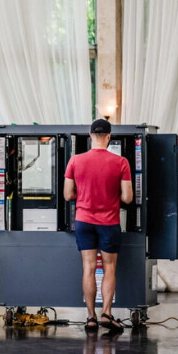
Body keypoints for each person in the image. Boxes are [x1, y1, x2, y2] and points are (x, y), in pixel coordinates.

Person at [64, 119, 133, 332]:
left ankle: (91, 317)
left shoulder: (75, 160)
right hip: (109, 222)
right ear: (109, 136)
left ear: (89, 134)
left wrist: (83, 195)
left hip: (84, 221)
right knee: (109, 268)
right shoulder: (121, 162)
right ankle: (107, 314)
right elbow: (128, 198)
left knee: (89, 267)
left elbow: (67, 195)